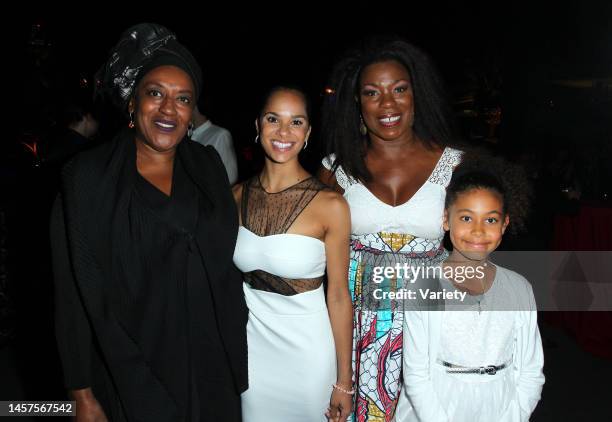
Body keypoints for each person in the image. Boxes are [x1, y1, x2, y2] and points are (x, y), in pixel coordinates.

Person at [50, 23, 247, 422]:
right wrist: (81, 393)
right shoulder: (86, 177)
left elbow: (228, 260)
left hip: (211, 362)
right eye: (155, 93)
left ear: (192, 112)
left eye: (183, 99)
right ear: (132, 102)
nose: (168, 109)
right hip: (134, 369)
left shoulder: (207, 166)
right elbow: (71, 295)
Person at [319, 38, 462, 421]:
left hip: (431, 323)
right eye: (372, 92)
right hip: (359, 333)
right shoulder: (334, 170)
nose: (387, 104)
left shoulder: (455, 166)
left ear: (417, 95)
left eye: (399, 89)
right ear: (357, 103)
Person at [232, 86, 354, 421]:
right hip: (252, 354)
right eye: (274, 119)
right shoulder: (234, 197)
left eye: (296, 121)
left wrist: (344, 380)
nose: (284, 131)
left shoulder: (331, 205)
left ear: (308, 133)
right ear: (258, 126)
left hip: (308, 355)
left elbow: (341, 296)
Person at [399, 154, 545, 421]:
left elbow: (531, 371)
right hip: (435, 406)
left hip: (500, 407)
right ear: (446, 220)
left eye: (490, 220)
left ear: (505, 224)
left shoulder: (519, 289)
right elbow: (416, 374)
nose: (478, 231)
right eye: (466, 218)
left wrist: (514, 416)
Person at [191, 103, 238, 185]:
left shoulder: (220, 134)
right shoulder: (185, 135)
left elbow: (231, 177)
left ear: (195, 107)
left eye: (186, 102)